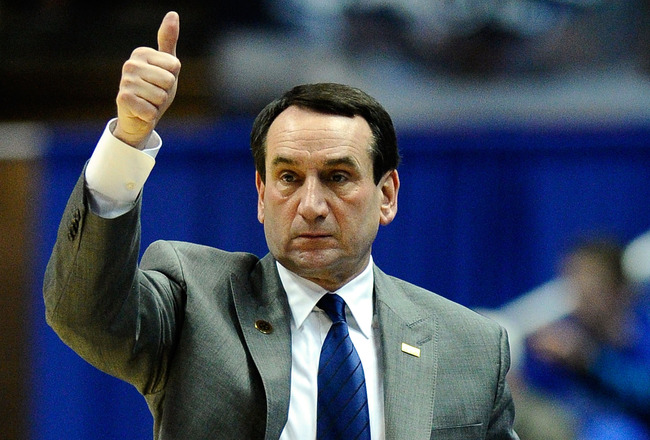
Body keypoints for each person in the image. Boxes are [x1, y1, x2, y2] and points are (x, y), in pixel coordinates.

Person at [43, 11, 519, 440]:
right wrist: (128, 140)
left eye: (337, 177)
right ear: (261, 194)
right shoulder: (194, 302)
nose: (311, 206)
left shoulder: (469, 348)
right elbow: (85, 314)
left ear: (387, 195)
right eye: (288, 178)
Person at [517, 237, 650, 440]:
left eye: (592, 285)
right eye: (574, 283)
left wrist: (591, 361)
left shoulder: (642, 334)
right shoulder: (559, 341)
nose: (581, 296)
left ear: (619, 290)